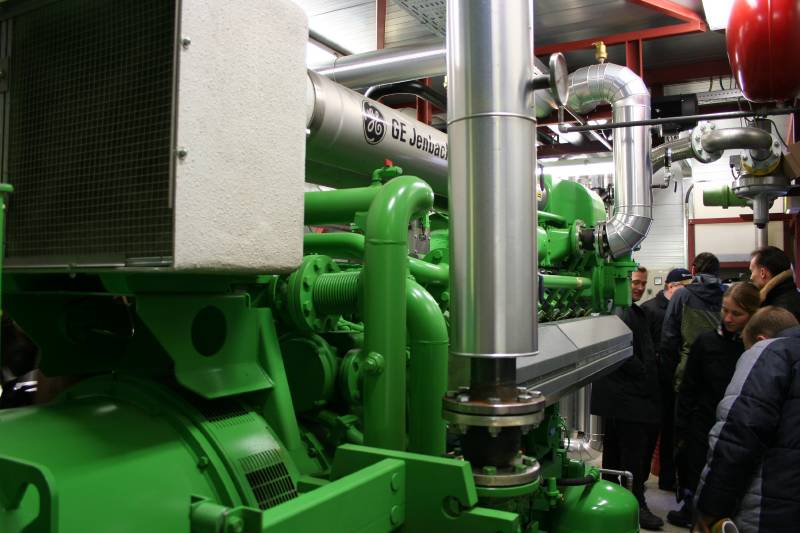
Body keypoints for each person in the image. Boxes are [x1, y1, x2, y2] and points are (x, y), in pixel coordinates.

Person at [694, 306, 800, 533]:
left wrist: (710, 509)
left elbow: (739, 436)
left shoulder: (771, 352)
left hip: (770, 511)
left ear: (761, 340)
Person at [667, 282, 760, 528]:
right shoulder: (706, 342)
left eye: (737, 313)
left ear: (753, 314)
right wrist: (682, 429)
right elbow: (689, 388)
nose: (728, 318)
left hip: (739, 429)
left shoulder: (756, 349)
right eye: (724, 310)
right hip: (703, 425)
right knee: (699, 480)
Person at [592, 266, 663, 530]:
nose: (639, 287)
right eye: (634, 282)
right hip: (627, 397)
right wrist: (644, 372)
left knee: (615, 453)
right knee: (632, 454)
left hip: (622, 396)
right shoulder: (618, 311)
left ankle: (612, 501)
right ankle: (635, 504)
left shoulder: (630, 310)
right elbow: (619, 351)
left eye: (643, 283)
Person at [641, 267, 692, 492]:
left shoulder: (684, 309)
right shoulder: (649, 309)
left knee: (671, 432)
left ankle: (668, 478)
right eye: (684, 287)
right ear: (671, 286)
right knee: (650, 433)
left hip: (674, 382)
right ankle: (640, 480)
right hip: (654, 383)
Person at [659, 252, 726, 393]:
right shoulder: (729, 295)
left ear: (693, 270)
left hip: (688, 373)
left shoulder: (682, 295)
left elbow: (669, 341)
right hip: (721, 373)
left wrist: (670, 375)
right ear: (717, 272)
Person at [749, 245, 800, 320]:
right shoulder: (792, 296)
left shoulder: (777, 311)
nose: (751, 277)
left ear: (763, 273)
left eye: (752, 271)